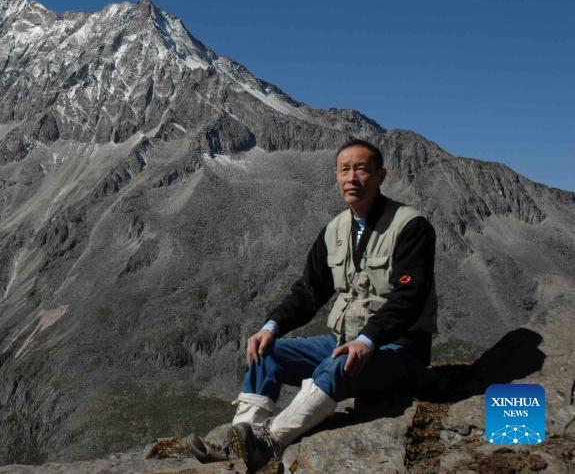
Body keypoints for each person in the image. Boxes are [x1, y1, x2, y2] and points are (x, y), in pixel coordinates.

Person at [183, 139, 437, 471]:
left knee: (337, 364)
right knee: (267, 351)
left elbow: (409, 296)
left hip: (399, 349)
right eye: (344, 170)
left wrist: (367, 340)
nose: (352, 178)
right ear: (336, 177)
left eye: (362, 169)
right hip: (344, 342)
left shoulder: (410, 226)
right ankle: (240, 441)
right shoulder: (334, 231)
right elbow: (309, 291)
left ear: (380, 176)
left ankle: (269, 443)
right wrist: (271, 326)